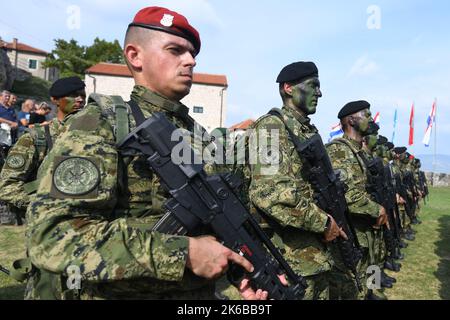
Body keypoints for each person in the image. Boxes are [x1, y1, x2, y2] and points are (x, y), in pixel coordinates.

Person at [26, 6, 263, 300]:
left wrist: (240, 271)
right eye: (175, 50)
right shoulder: (102, 123)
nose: (190, 61)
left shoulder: (198, 135)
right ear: (135, 56)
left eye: (192, 54)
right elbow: (52, 236)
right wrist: (184, 254)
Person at [247, 62, 345, 300]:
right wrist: (323, 222)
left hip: (315, 258)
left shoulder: (306, 132)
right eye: (313, 86)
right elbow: (269, 193)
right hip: (288, 262)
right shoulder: (271, 127)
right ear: (288, 88)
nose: (319, 93)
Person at [0, 77, 87, 226]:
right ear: (55, 100)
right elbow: (8, 186)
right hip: (47, 224)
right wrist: (43, 206)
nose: (79, 99)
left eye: (83, 95)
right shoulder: (36, 138)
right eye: (72, 95)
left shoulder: (93, 136)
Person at [326, 100, 389, 300]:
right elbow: (347, 195)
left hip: (364, 229)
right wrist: (376, 209)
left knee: (374, 259)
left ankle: (371, 291)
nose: (370, 119)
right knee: (349, 287)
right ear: (351, 119)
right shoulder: (340, 151)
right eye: (367, 115)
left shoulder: (357, 152)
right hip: (350, 232)